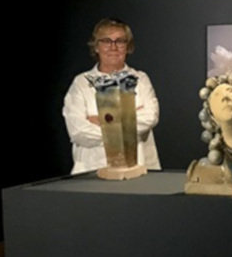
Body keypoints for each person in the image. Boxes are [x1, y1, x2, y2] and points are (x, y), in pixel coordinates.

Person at [62, 18, 160, 174]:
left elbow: (150, 118)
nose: (113, 47)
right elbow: (78, 132)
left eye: (120, 41)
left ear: (128, 47)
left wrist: (101, 120)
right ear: (96, 47)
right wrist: (128, 119)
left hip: (138, 170)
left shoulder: (140, 79)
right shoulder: (81, 83)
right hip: (92, 171)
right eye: (106, 41)